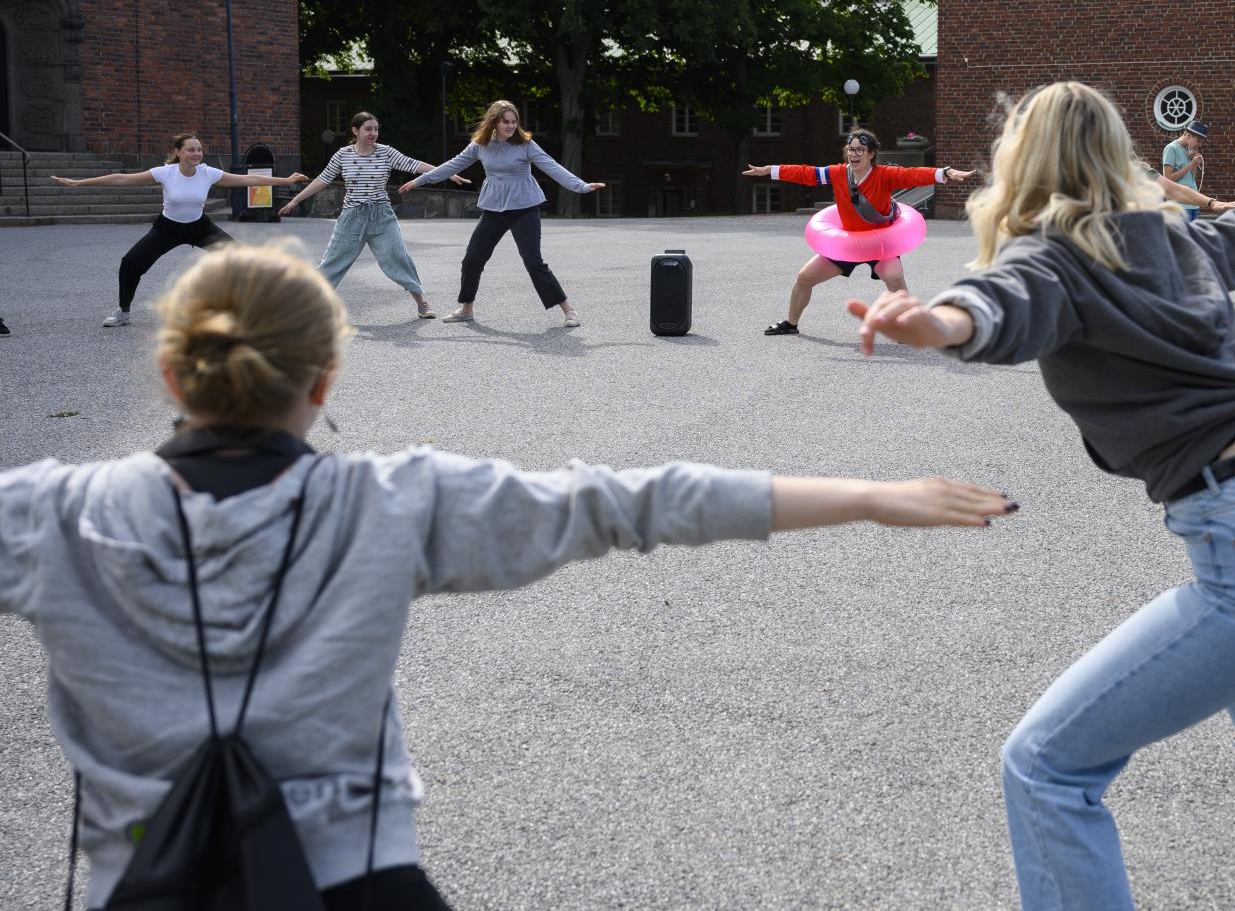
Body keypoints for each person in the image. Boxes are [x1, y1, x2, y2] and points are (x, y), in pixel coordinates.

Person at [0, 241, 1010, 909]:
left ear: (175, 376)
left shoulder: (51, 513)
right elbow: (632, 501)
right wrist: (873, 492)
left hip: (138, 875)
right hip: (354, 875)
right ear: (325, 379)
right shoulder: (394, 502)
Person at [849, 82, 1235, 910]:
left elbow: (1001, 302)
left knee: (1045, 766)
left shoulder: (1052, 253)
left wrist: (940, 324)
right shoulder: (1165, 236)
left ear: (1019, 161)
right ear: (1115, 153)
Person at [52, 133, 306, 328]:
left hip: (199, 226)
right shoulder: (165, 173)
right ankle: (123, 312)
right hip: (168, 228)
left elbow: (248, 180)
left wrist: (284, 181)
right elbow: (122, 178)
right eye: (191, 150)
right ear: (178, 152)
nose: (197, 153)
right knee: (130, 262)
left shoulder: (208, 173)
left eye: (199, 149)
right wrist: (80, 183)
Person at [744, 129, 976, 336]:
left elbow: (912, 174)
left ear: (871, 154)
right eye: (850, 149)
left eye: (860, 150)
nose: (854, 154)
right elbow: (807, 173)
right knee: (804, 278)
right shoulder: (838, 173)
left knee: (894, 277)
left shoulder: (884, 175)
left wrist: (944, 173)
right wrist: (770, 170)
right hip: (846, 244)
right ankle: (791, 323)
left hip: (880, 245)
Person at [399, 100, 605, 325]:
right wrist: (420, 181)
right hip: (494, 209)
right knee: (472, 259)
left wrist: (581, 186)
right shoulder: (480, 144)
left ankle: (568, 310)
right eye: (505, 122)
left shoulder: (526, 144)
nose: (510, 126)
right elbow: (451, 166)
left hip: (524, 208)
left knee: (533, 261)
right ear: (494, 123)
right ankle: (466, 307)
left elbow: (552, 166)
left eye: (514, 122)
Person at [280, 112, 470, 319]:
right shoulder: (343, 155)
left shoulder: (386, 153)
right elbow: (322, 180)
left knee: (398, 257)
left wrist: (446, 172)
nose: (373, 133)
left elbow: (414, 164)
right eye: (368, 129)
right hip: (352, 217)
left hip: (381, 215)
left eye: (376, 129)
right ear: (356, 131)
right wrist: (294, 201)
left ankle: (422, 303)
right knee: (332, 262)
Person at [1162, 118, 1209, 219]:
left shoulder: (1189, 150)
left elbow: (1192, 178)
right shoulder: (1171, 148)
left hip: (1193, 203)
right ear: (1188, 135)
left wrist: (1194, 163)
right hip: (1179, 204)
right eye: (1198, 141)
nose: (1199, 145)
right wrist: (1191, 164)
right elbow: (1168, 179)